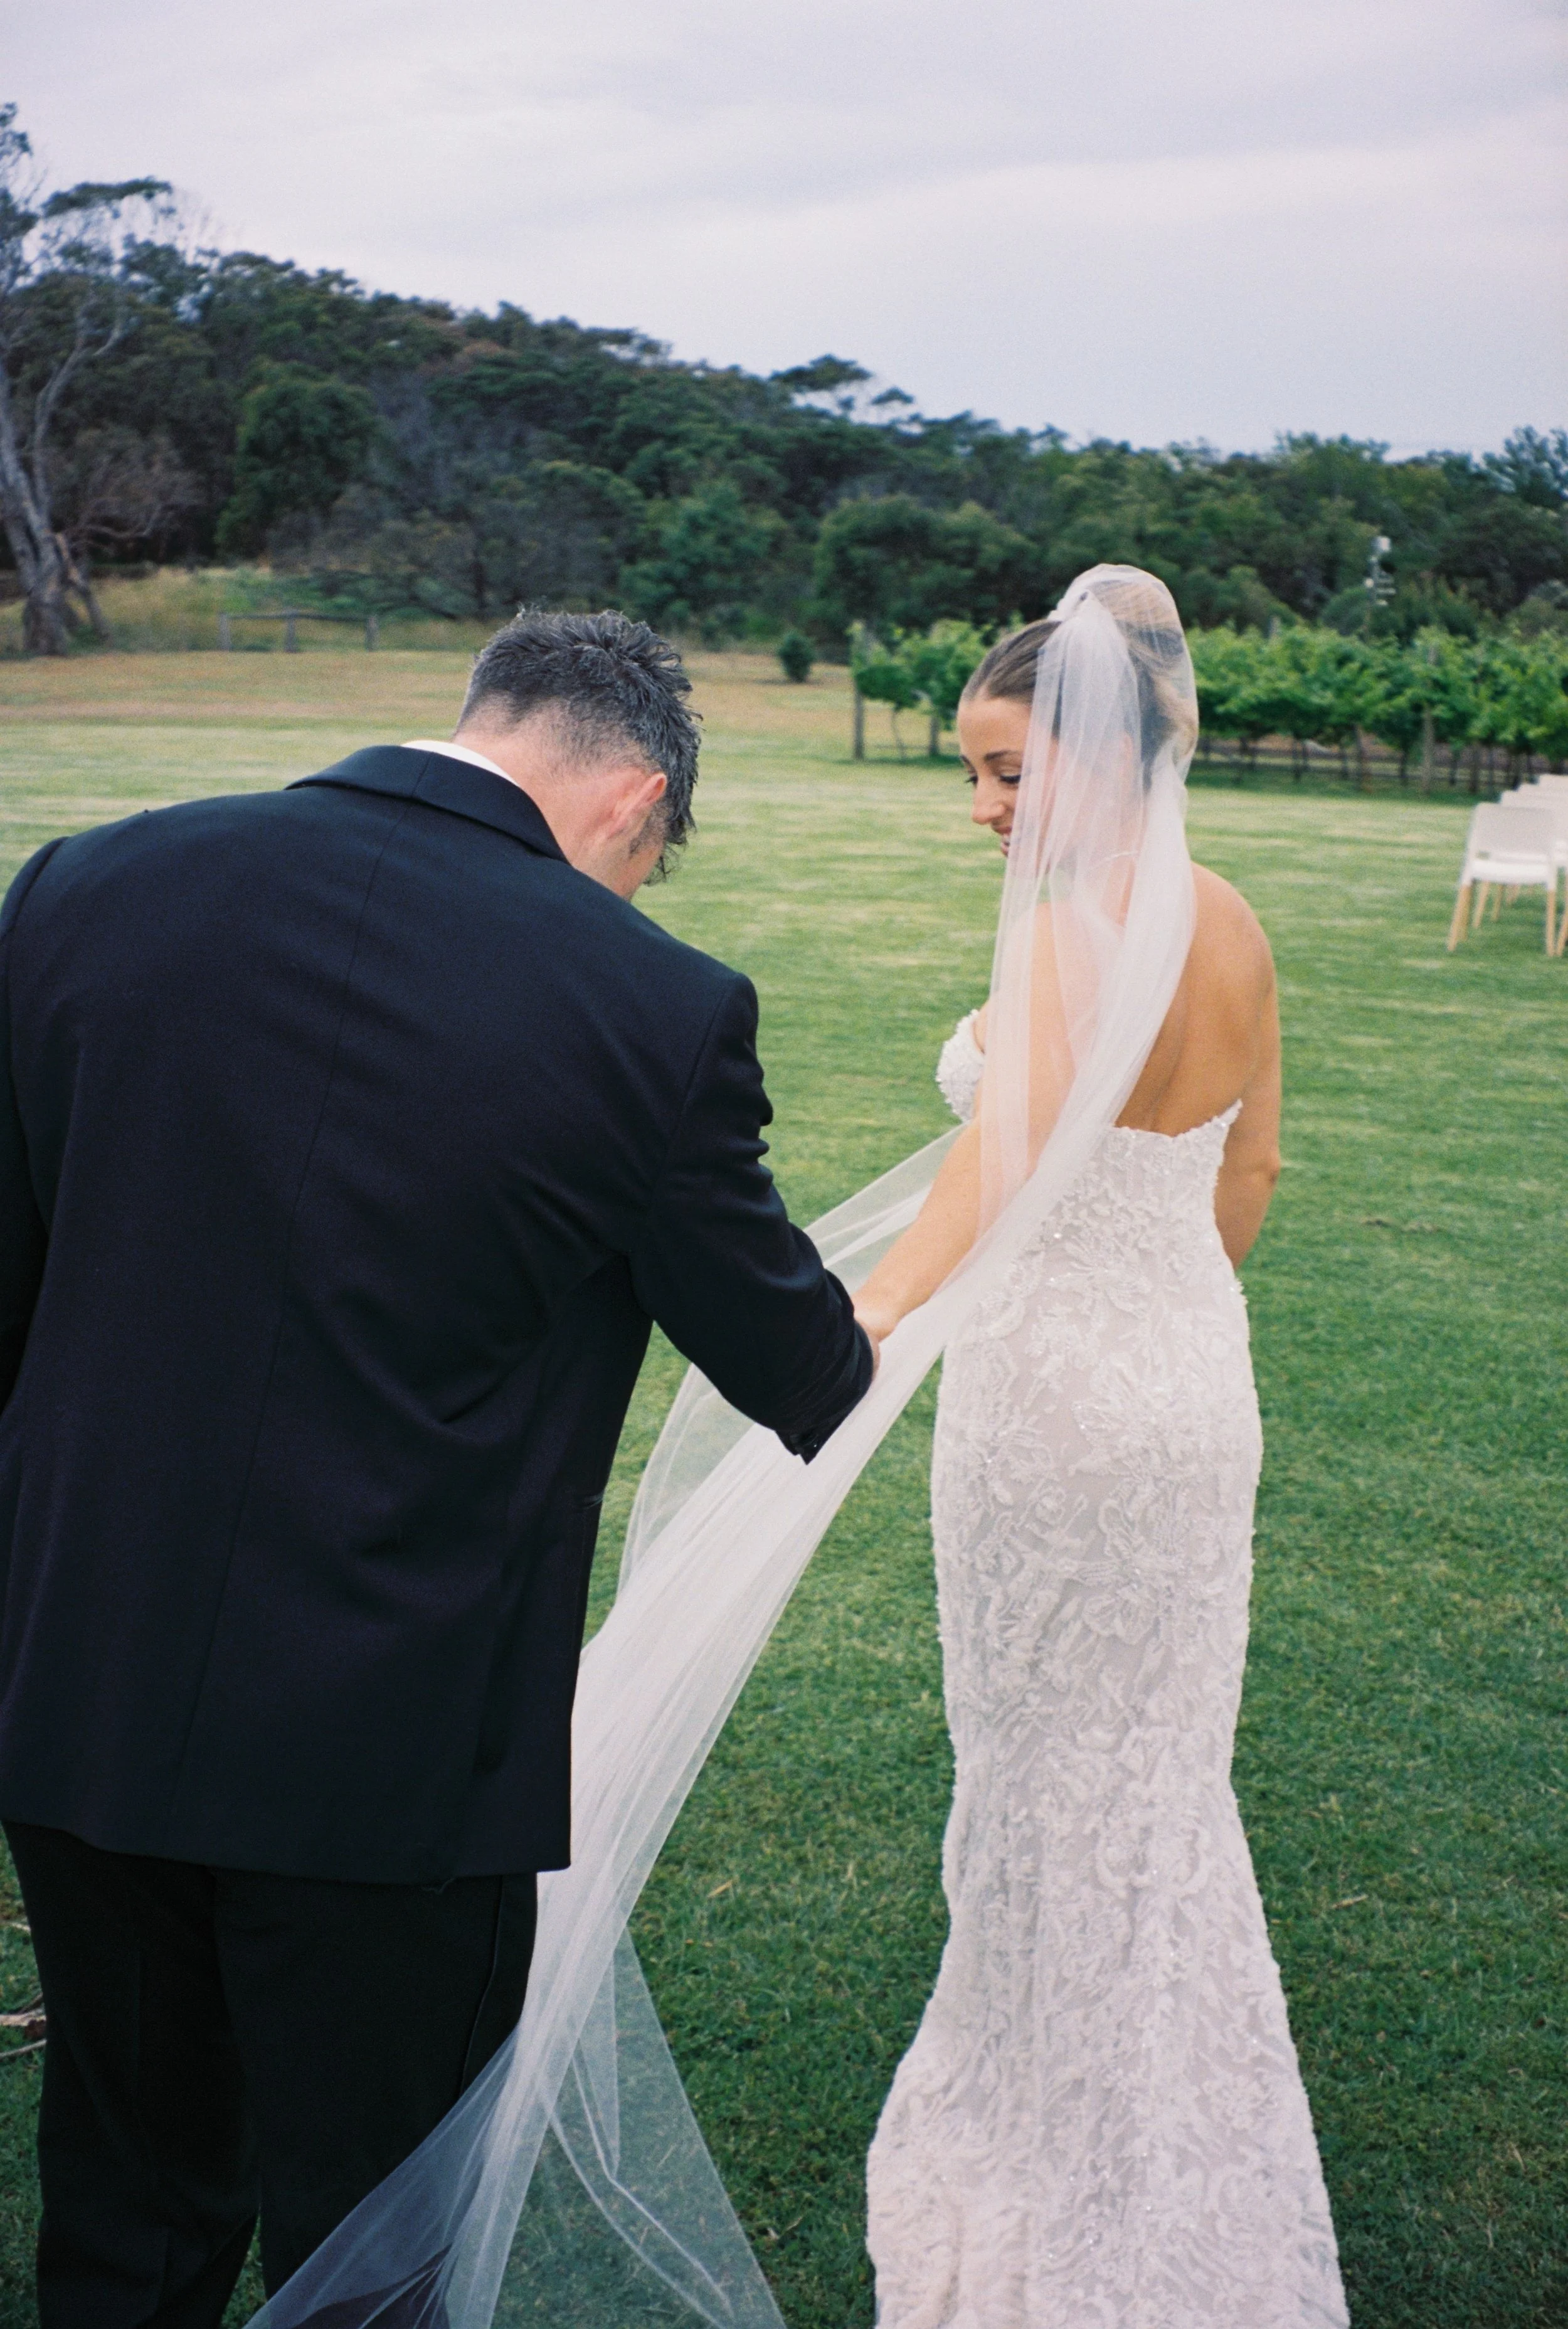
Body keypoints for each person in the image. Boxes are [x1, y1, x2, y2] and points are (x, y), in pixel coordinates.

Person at [0, 607, 872, 2326]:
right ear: (635, 801)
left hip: (77, 1672)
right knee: (377, 2218)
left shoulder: (82, 889)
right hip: (386, 1746)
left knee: (124, 2181)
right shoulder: (654, 1010)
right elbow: (800, 1366)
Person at [852, 586, 1350, 2323]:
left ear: (1088, 752)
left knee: (1037, 1750)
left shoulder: (1071, 933)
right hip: (1187, 1390)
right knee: (1150, 1760)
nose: (979, 808)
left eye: (998, 769)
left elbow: (996, 1165)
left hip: (1051, 1404)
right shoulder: (1229, 918)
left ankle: (1052, 2115)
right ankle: (1145, 2078)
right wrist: (1157, 1320)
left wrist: (876, 1317)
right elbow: (1251, 1174)